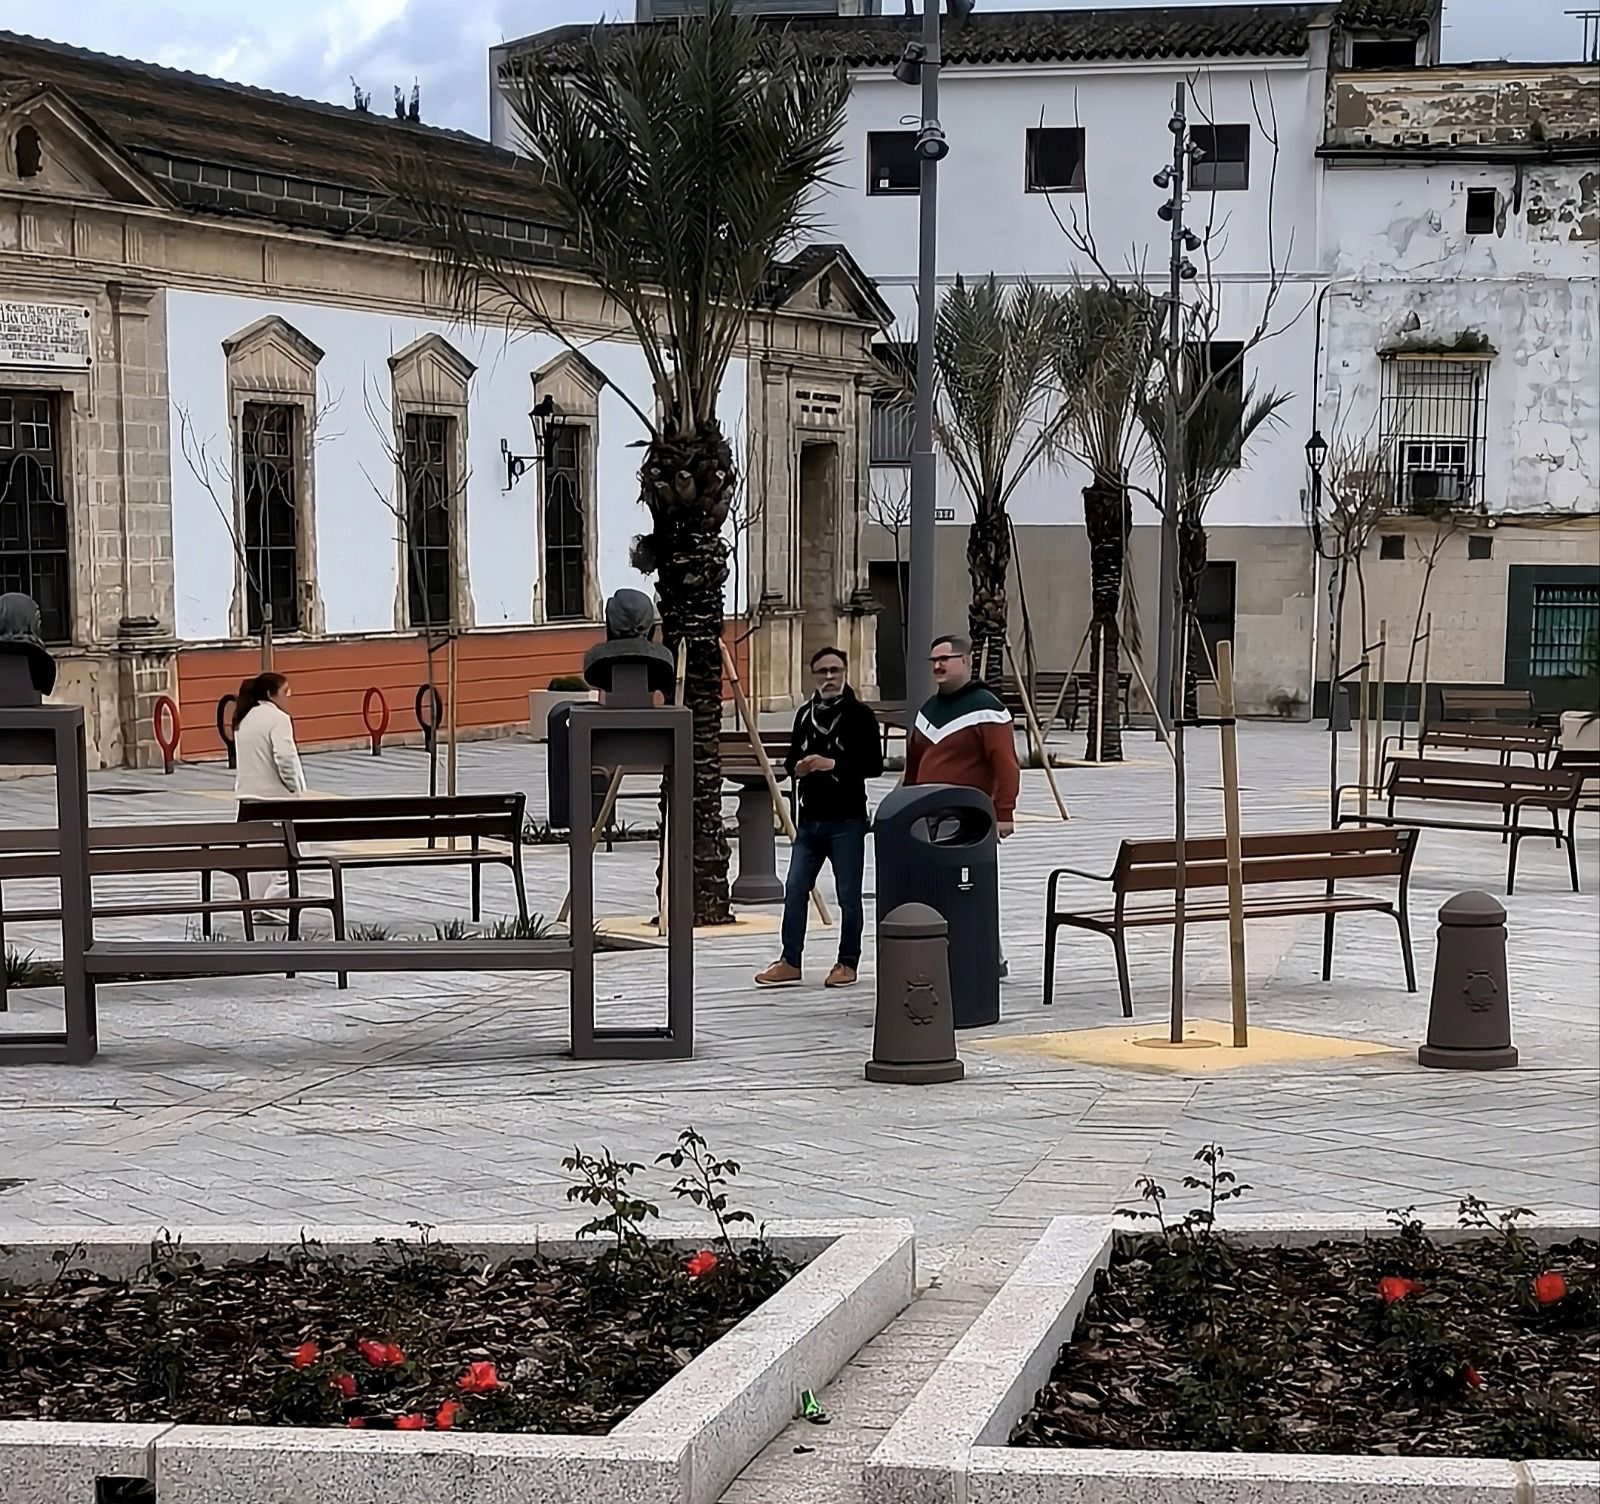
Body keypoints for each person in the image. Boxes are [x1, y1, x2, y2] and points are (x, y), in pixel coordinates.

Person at [755, 646, 883, 990]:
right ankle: (789, 960)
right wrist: (798, 767)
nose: (829, 677)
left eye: (835, 670)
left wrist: (833, 765)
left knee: (847, 895)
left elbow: (874, 764)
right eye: (823, 671)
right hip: (809, 821)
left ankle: (847, 961)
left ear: (845, 673)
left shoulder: (860, 716)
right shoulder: (804, 714)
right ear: (813, 676)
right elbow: (790, 760)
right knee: (795, 887)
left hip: (847, 821)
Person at [904, 633, 1020, 977]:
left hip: (968, 818)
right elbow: (913, 765)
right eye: (934, 661)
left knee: (971, 890)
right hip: (926, 815)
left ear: (965, 662)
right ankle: (943, 953)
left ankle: (987, 956)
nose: (938, 666)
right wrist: (904, 805)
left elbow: (1006, 763)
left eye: (946, 659)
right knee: (935, 888)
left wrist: (1004, 813)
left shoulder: (987, 708)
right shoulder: (929, 710)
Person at [233, 672, 307, 925]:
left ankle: (256, 903)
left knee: (257, 852)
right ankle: (276, 904)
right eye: (286, 691)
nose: (290, 697)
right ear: (270, 694)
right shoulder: (279, 719)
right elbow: (285, 758)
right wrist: (293, 787)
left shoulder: (243, 719)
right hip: (276, 798)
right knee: (291, 849)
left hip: (248, 797)